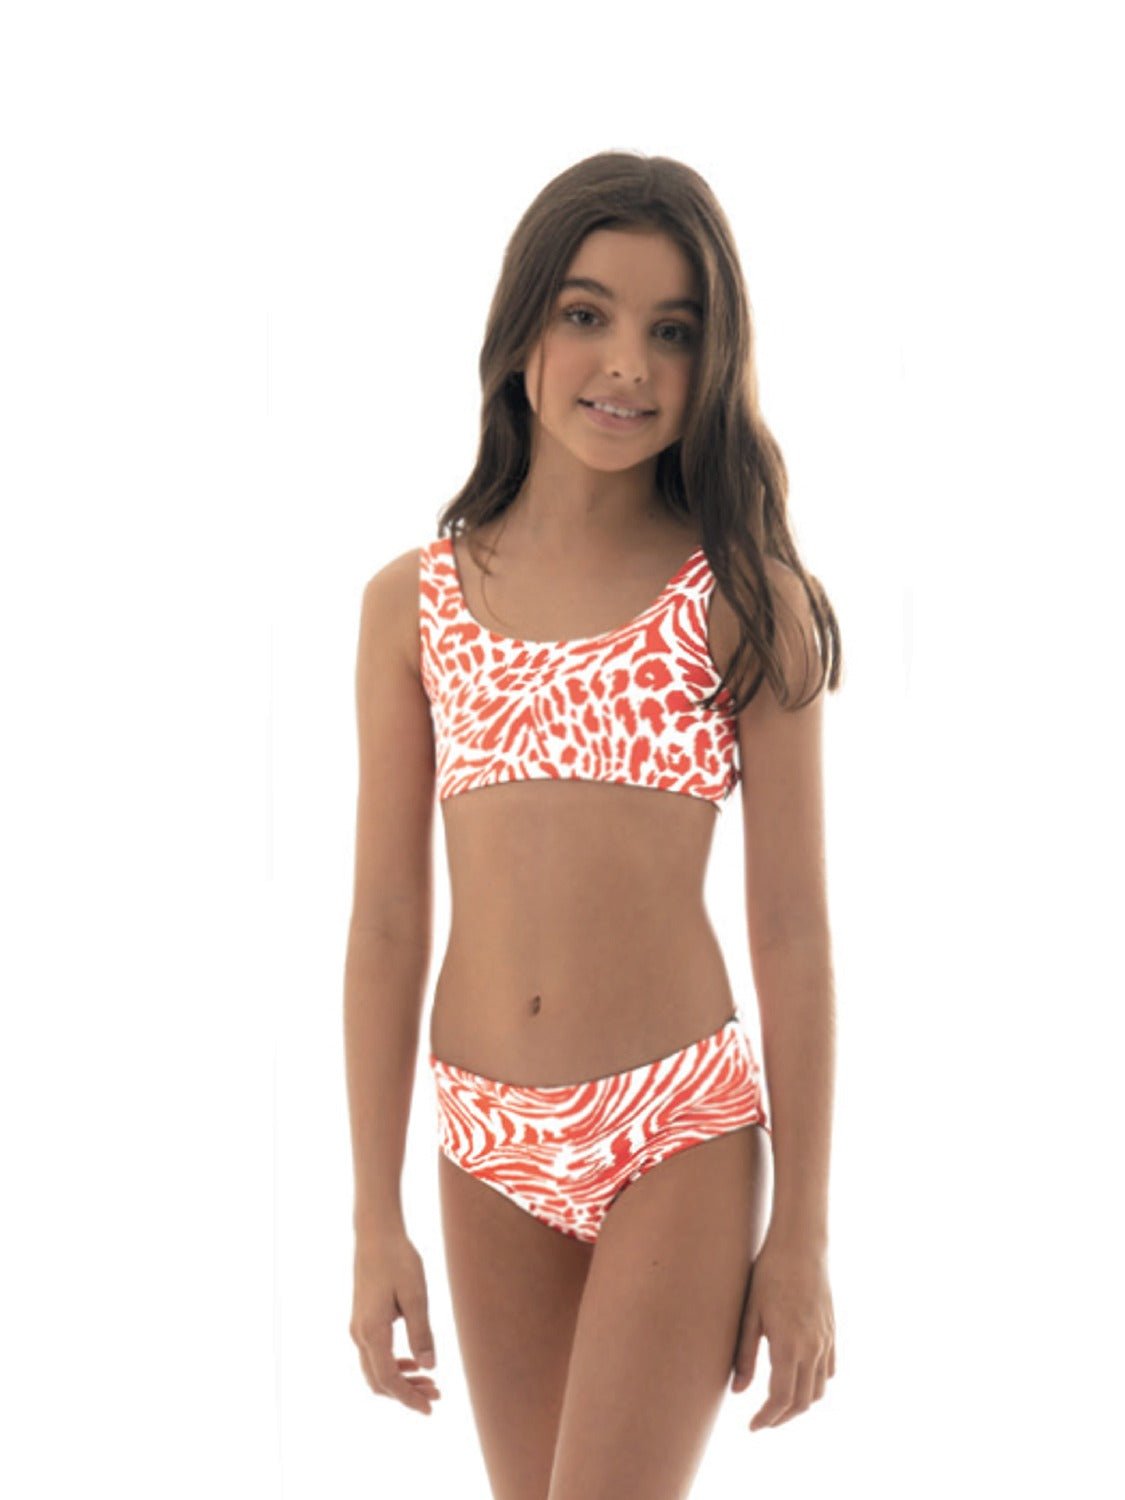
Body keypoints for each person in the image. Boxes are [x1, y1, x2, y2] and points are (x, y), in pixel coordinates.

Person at [344, 150, 842, 1499]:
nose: (627, 363)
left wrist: (800, 1235)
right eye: (586, 314)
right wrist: (373, 1215)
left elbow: (793, 931)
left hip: (675, 1125)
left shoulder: (742, 601)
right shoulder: (412, 605)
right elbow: (385, 922)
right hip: (484, 1135)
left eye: (673, 331)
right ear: (521, 334)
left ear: (712, 361)